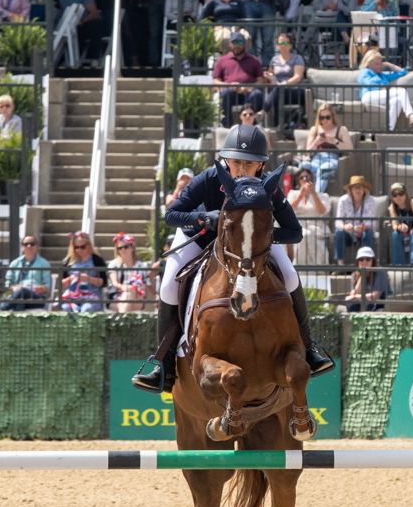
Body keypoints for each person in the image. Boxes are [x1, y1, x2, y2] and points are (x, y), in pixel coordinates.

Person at [131, 125, 331, 393]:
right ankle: (163, 364)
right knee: (168, 285)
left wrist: (260, 237)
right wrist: (202, 218)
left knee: (291, 275)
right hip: (200, 238)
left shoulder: (269, 189)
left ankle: (308, 347)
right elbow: (171, 214)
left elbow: (294, 233)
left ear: (260, 166)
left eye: (248, 164)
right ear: (226, 160)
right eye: (236, 162)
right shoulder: (208, 179)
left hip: (250, 246)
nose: (240, 169)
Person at [357, 49, 413, 132]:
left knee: (396, 101)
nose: (380, 66)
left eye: (380, 63)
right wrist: (386, 88)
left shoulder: (382, 75)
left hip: (379, 97)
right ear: (369, 64)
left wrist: (387, 64)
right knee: (401, 91)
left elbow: (402, 72)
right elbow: (370, 83)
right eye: (377, 64)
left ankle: (388, 130)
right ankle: (411, 115)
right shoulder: (365, 71)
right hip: (368, 95)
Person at [212, 32, 264, 128]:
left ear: (244, 44)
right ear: (229, 44)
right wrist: (229, 85)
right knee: (225, 93)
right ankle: (227, 127)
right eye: (234, 42)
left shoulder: (253, 60)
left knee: (257, 94)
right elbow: (215, 82)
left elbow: (261, 80)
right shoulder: (222, 60)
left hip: (249, 92)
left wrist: (251, 87)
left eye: (240, 43)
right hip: (231, 92)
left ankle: (252, 126)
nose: (237, 45)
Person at [298, 104, 352, 194]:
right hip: (316, 160)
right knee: (302, 166)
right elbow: (308, 153)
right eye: (322, 117)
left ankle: (316, 197)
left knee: (323, 170)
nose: (325, 120)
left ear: (333, 116)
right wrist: (316, 142)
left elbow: (350, 150)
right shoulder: (314, 130)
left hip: (331, 160)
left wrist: (335, 141)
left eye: (327, 117)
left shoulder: (341, 129)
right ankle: (304, 194)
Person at [287, 168, 332, 265]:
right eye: (301, 177)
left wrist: (313, 194)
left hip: (315, 226)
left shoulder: (322, 195)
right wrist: (300, 196)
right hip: (297, 226)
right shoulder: (293, 194)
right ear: (298, 180)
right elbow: (288, 211)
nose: (304, 179)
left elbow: (321, 211)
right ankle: (300, 269)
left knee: (308, 235)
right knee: (304, 234)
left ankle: (318, 269)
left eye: (307, 177)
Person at [264, 34, 305, 131]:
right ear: (277, 45)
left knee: (279, 90)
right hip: (281, 92)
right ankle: (279, 127)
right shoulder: (274, 60)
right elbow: (271, 74)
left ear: (291, 45)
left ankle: (263, 112)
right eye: (281, 43)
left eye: (286, 43)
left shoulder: (297, 58)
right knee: (278, 94)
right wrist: (268, 75)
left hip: (297, 91)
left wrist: (285, 83)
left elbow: (297, 77)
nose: (283, 45)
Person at [0, 235, 52, 311]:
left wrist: (30, 287)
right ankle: (18, 322)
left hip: (36, 298)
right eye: (26, 244)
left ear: (36, 246)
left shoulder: (44, 263)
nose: (29, 246)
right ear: (22, 246)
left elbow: (47, 287)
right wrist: (15, 288)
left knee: (23, 291)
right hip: (16, 295)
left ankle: (2, 310)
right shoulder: (15, 263)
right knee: (20, 300)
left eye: (32, 244)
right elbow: (7, 285)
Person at [59, 232, 106, 312]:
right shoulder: (68, 261)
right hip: (72, 297)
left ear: (88, 246)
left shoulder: (97, 260)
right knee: (65, 308)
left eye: (82, 247)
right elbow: (61, 284)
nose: (79, 250)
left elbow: (103, 282)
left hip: (92, 297)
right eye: (76, 247)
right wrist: (70, 280)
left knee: (86, 309)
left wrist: (89, 279)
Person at [335, 176, 376, 264]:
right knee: (339, 233)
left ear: (364, 189)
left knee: (369, 232)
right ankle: (340, 265)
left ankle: (367, 264)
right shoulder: (343, 200)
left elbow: (373, 222)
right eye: (355, 187)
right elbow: (337, 221)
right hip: (348, 233)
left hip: (363, 233)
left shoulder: (371, 201)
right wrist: (345, 227)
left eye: (360, 187)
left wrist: (364, 227)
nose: (358, 190)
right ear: (350, 189)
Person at [107, 233, 152, 312]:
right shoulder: (114, 264)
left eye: (126, 246)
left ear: (132, 248)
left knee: (129, 293)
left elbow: (145, 285)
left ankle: (121, 322)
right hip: (116, 298)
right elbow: (114, 283)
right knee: (127, 295)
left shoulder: (142, 265)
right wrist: (123, 287)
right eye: (120, 248)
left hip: (137, 298)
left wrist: (136, 289)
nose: (123, 249)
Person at [341, 246, 391, 311]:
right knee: (351, 305)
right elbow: (353, 294)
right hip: (363, 300)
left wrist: (355, 297)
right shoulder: (355, 274)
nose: (364, 262)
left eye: (368, 259)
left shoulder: (380, 273)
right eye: (361, 259)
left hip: (378, 302)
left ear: (372, 261)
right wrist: (362, 275)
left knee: (368, 305)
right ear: (357, 262)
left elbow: (375, 296)